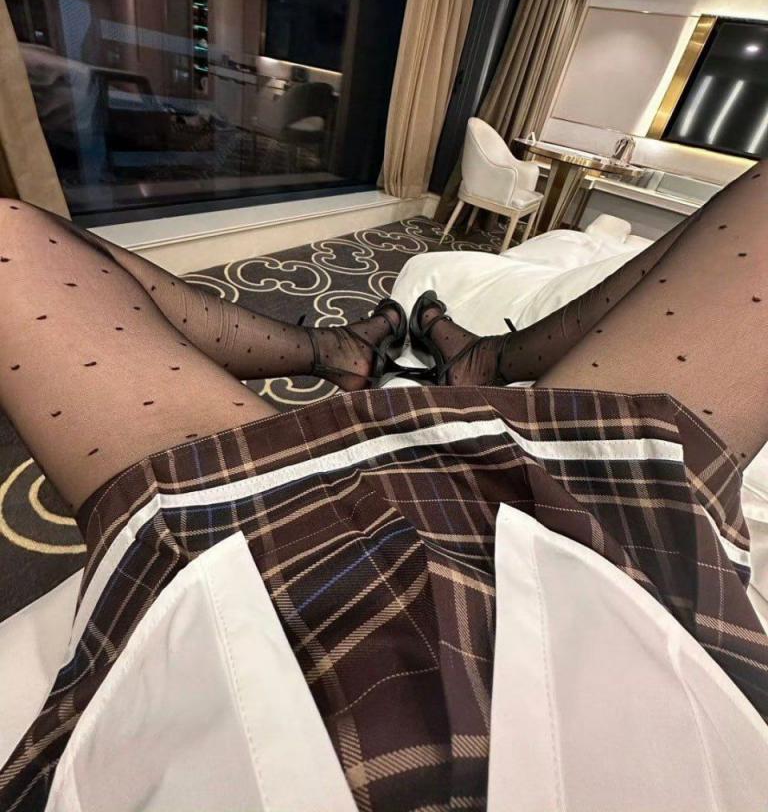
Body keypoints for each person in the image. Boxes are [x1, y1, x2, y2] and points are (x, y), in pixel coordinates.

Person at [0, 163, 766, 811]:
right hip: (623, 583)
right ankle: (471, 357)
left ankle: (350, 348)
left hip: (242, 594)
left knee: (13, 241)